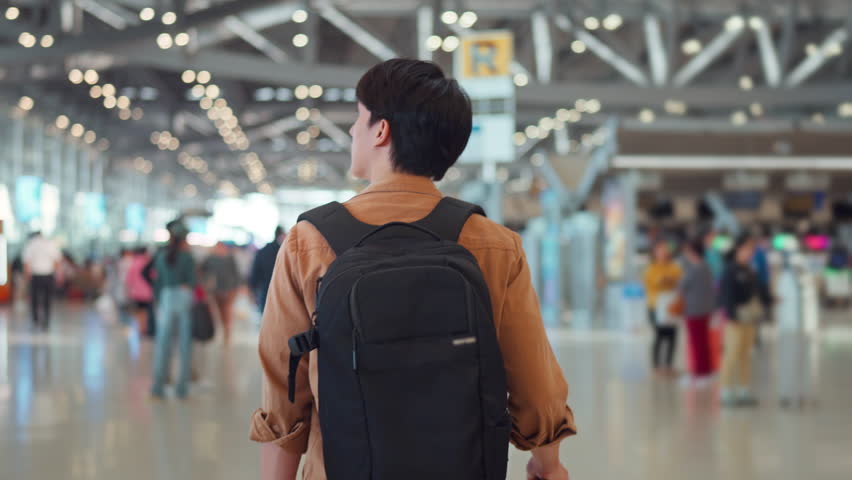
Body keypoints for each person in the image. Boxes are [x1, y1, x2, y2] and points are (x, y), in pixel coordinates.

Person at [250, 59, 575, 480]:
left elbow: (285, 394)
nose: (353, 131)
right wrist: (548, 464)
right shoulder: (495, 244)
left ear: (381, 131)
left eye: (359, 118)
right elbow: (536, 387)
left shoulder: (307, 242)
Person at [718, 234, 771, 407]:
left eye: (752, 249)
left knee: (745, 354)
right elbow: (726, 295)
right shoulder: (730, 270)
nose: (750, 252)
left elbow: (757, 291)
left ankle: (743, 390)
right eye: (747, 248)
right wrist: (731, 315)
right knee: (731, 354)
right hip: (735, 319)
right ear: (738, 248)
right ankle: (725, 391)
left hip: (749, 318)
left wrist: (769, 300)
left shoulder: (750, 270)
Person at [150, 220, 196, 399]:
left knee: (163, 345)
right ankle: (181, 389)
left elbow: (157, 282)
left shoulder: (162, 256)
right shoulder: (188, 257)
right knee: (184, 346)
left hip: (166, 298)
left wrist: (158, 301)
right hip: (184, 297)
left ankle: (158, 387)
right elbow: (192, 281)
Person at [679, 237, 716, 385]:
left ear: (693, 252)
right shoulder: (706, 267)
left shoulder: (693, 269)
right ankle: (706, 371)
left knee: (696, 343)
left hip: (693, 310)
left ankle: (699, 373)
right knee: (703, 342)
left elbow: (682, 286)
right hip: (706, 309)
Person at [643, 241, 683, 375]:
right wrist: (665, 280)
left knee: (672, 335)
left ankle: (668, 365)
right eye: (660, 250)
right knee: (659, 335)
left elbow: (679, 279)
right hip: (655, 306)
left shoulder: (674, 267)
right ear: (655, 252)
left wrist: (669, 280)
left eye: (665, 250)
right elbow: (655, 282)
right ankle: (656, 366)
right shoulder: (651, 268)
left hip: (671, 306)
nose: (663, 253)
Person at [200, 242, 241, 345]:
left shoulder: (230, 258)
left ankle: (227, 334)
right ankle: (222, 332)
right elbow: (201, 270)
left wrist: (236, 288)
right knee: (218, 313)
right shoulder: (210, 258)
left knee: (227, 312)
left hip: (229, 290)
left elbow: (236, 274)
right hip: (216, 290)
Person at [22, 232, 62, 330]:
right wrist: (57, 274)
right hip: (48, 275)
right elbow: (57, 261)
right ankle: (46, 321)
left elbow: (27, 262)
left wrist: (27, 276)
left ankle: (35, 321)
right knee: (47, 299)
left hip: (35, 275)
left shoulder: (31, 244)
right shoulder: (50, 244)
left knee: (34, 299)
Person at [248, 226, 286, 313]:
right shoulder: (285, 251)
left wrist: (252, 289)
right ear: (282, 235)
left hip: (265, 291)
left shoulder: (263, 251)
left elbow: (255, 272)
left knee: (266, 315)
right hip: (282, 292)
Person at [126, 247, 156, 337]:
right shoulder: (147, 262)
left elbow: (129, 279)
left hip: (136, 293)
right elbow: (154, 276)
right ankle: (145, 329)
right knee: (147, 312)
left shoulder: (133, 263)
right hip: (147, 292)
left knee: (139, 311)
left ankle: (140, 329)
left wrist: (130, 290)